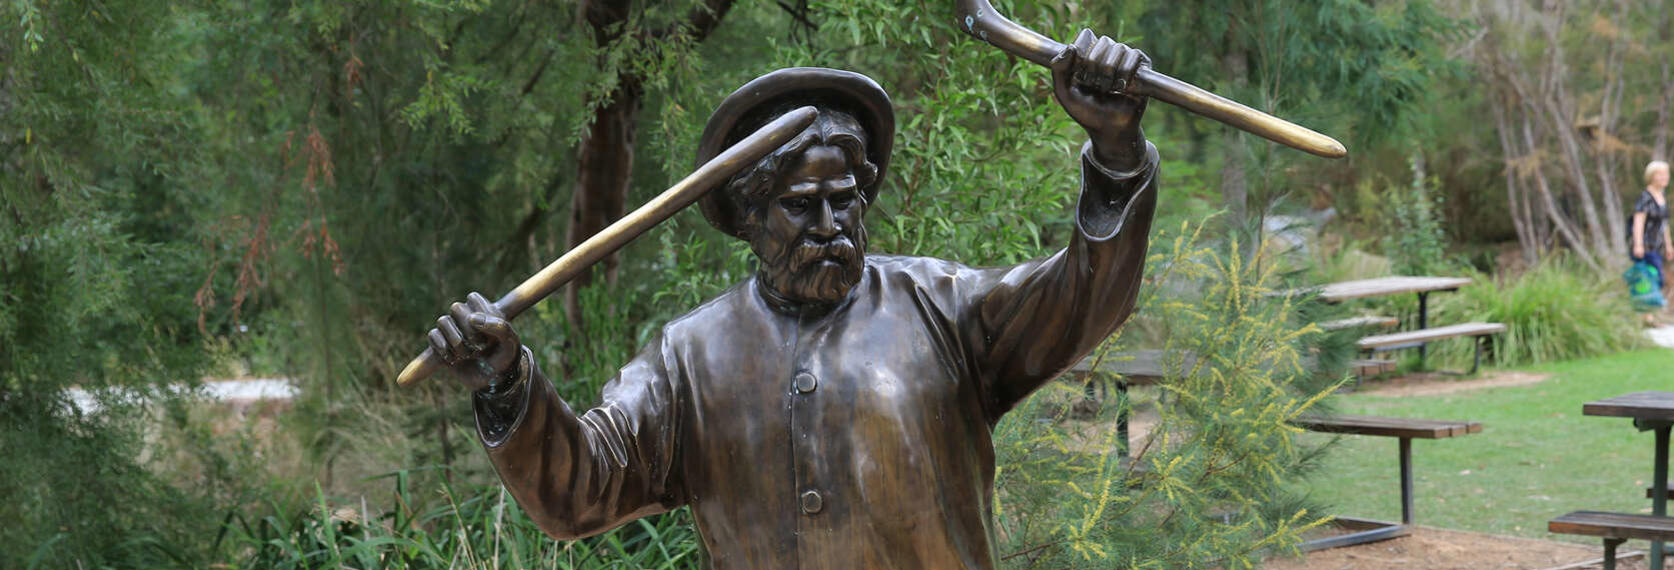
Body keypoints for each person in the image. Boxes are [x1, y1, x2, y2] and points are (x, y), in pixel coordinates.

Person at [421, 31, 1158, 569]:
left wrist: (1117, 156)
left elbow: (1084, 297)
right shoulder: (691, 358)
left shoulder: (944, 307)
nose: (833, 225)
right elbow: (577, 493)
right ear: (748, 216)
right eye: (802, 206)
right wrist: (505, 384)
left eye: (846, 200)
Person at [1630, 161, 1674, 320]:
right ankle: (1647, 316)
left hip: (1658, 246)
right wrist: (1638, 244)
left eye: (1666, 174)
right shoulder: (1646, 197)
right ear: (1651, 176)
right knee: (1649, 279)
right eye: (1660, 174)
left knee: (1655, 279)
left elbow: (1664, 224)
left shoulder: (1661, 197)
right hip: (1645, 246)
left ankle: (1648, 316)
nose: (1664, 177)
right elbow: (1638, 222)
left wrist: (1669, 245)